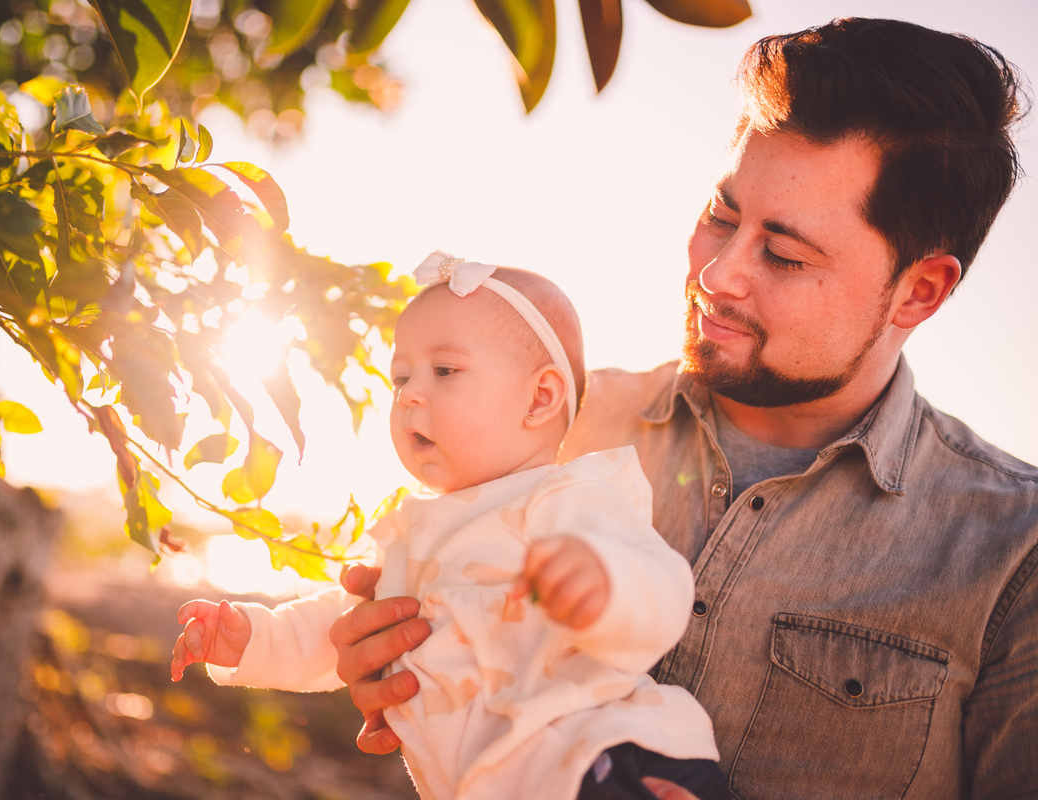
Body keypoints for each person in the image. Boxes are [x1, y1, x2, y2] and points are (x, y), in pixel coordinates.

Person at [328, 18, 1038, 800]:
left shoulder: (1013, 555)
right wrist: (396, 665)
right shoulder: (548, 426)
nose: (718, 274)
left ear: (920, 290)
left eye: (785, 255)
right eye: (721, 216)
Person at [171, 252, 727, 800]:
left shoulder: (568, 497)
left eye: (445, 371)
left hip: (602, 759)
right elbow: (342, 627)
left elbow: (662, 583)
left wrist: (607, 587)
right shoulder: (414, 533)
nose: (410, 393)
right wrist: (254, 638)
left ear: (539, 397)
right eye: (401, 377)